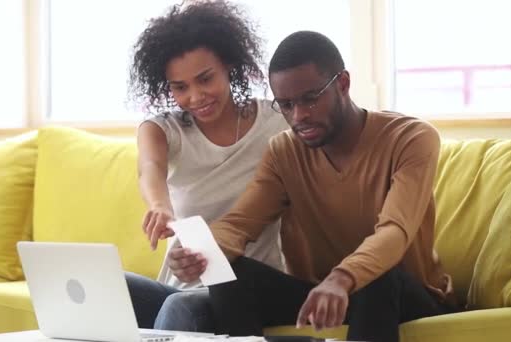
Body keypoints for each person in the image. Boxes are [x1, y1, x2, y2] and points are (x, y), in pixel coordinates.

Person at [164, 31, 458, 342]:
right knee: (231, 272)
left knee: (380, 278)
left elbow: (394, 231)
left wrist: (343, 277)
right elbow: (239, 225)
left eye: (311, 99)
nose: (298, 115)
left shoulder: (410, 138)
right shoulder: (284, 152)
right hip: (327, 294)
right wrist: (199, 252)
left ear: (343, 84)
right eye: (286, 105)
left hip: (405, 295)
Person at [126, 0, 288, 333]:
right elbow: (150, 167)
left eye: (205, 79)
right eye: (180, 87)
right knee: (113, 288)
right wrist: (159, 206)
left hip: (245, 290)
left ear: (229, 63)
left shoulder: (276, 122)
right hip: (181, 284)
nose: (196, 96)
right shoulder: (163, 130)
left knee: (178, 307)